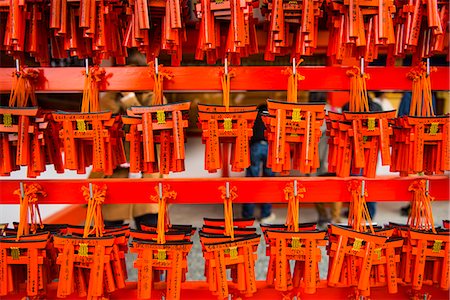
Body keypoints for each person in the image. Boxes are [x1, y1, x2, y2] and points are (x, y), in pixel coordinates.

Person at [342, 98, 382, 219]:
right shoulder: (377, 107)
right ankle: (369, 213)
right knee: (369, 178)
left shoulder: (347, 106)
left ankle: (356, 212)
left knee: (355, 180)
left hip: (354, 149)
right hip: (372, 149)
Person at [242, 104, 276, 223]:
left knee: (251, 181)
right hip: (269, 148)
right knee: (268, 182)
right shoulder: (273, 116)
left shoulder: (254, 117)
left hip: (255, 147)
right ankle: (266, 215)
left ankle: (248, 215)